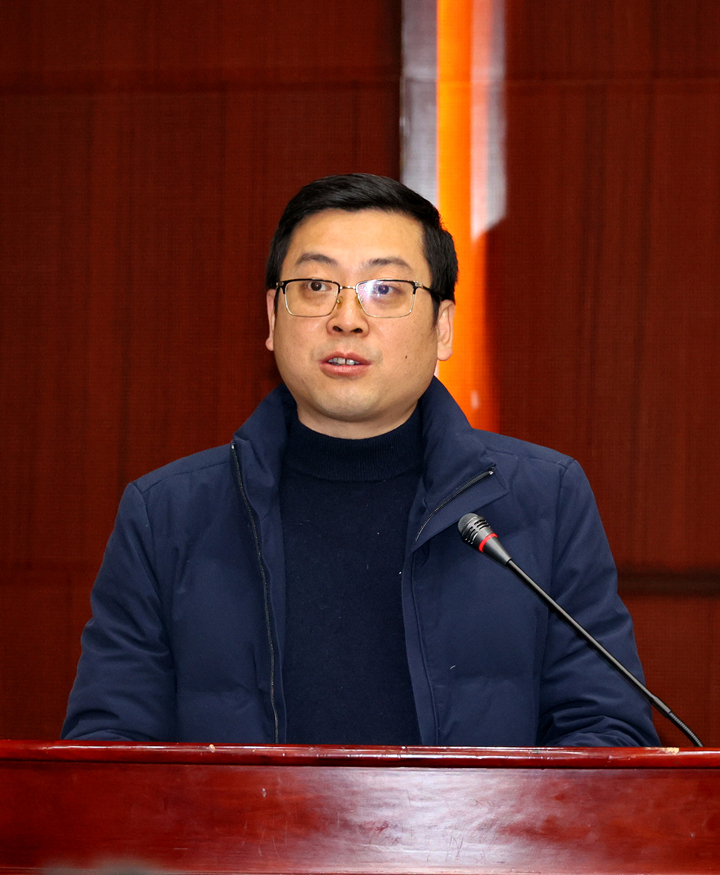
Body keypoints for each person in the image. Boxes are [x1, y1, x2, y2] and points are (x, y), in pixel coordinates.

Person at [62, 173, 660, 746]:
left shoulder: (544, 499)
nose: (346, 320)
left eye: (385, 290)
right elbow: (107, 752)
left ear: (443, 327)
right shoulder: (166, 515)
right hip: (240, 828)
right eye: (315, 287)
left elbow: (607, 735)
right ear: (272, 317)